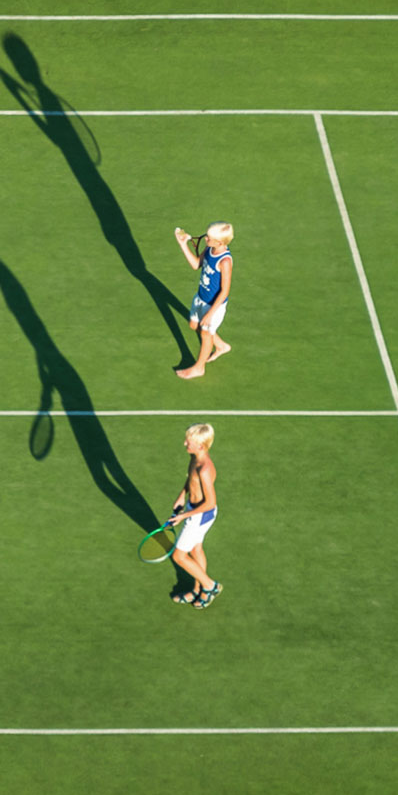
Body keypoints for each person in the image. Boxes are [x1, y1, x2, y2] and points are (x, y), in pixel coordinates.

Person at [167, 423, 222, 608]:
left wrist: (183, 516)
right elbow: (191, 479)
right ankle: (198, 590)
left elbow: (210, 502)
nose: (185, 444)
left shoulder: (205, 469)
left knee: (179, 556)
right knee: (196, 549)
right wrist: (182, 495)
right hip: (195, 510)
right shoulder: (195, 457)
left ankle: (210, 586)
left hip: (200, 515)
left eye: (188, 442)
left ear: (200, 445)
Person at [173, 222, 235, 380]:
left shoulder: (225, 262)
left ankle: (199, 368)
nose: (205, 238)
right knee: (194, 325)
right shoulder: (209, 249)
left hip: (214, 306)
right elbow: (196, 265)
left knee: (206, 334)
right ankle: (221, 346)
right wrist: (183, 245)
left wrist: (210, 314)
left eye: (209, 237)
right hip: (200, 298)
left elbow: (224, 291)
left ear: (219, 242)